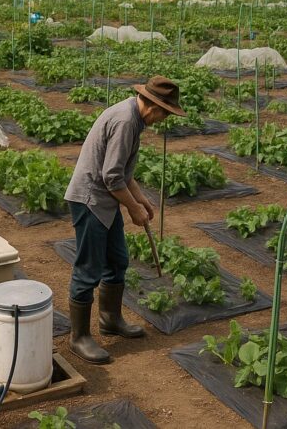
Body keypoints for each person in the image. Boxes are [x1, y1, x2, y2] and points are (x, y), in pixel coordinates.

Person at [63, 75, 185, 363]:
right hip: (90, 200)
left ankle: (110, 319)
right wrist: (132, 208)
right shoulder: (125, 121)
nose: (164, 120)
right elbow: (111, 177)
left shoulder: (133, 118)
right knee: (89, 269)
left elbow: (123, 174)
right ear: (154, 107)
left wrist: (141, 200)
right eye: (166, 114)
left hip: (105, 200)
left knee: (117, 260)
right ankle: (79, 337)